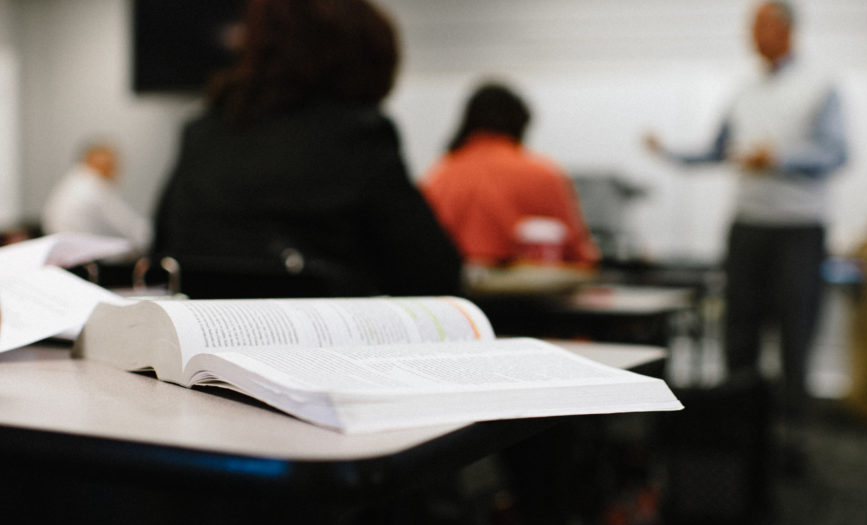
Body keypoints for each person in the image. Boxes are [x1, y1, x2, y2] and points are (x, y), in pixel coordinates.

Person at [645, 0, 848, 465]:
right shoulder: (743, 89)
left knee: (795, 338)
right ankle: (740, 439)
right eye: (750, 27)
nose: (752, 35)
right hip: (747, 228)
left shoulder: (820, 85)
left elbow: (836, 154)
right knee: (739, 334)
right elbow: (718, 150)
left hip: (798, 229)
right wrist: (670, 153)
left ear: (787, 30)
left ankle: (794, 441)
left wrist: (777, 160)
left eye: (760, 25)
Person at [153, 0, 461, 300]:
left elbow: (163, 249)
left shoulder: (201, 133)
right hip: (324, 347)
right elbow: (434, 275)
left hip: (207, 341)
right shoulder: (356, 135)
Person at [421, 82, 600, 291]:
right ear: (520, 125)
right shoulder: (544, 175)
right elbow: (581, 260)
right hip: (533, 313)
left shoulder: (441, 175)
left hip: (456, 307)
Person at [42, 141, 152, 255]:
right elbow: (129, 228)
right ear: (92, 161)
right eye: (110, 165)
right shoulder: (93, 187)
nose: (116, 171)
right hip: (84, 259)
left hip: (63, 251)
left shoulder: (74, 182)